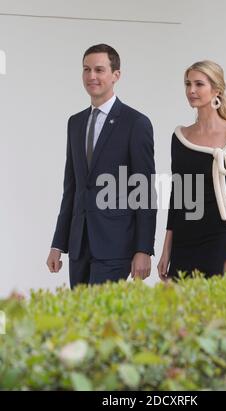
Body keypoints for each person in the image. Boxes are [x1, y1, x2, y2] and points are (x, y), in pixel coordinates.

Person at [46, 44, 156, 288]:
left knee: (103, 321)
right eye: (86, 69)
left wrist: (143, 249)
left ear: (116, 75)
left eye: (99, 69)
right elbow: (72, 188)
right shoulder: (75, 123)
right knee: (80, 321)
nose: (91, 76)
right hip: (78, 246)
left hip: (115, 247)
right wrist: (58, 244)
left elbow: (145, 191)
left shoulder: (135, 123)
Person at [157, 60, 226, 280]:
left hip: (220, 238)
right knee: (180, 311)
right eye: (187, 84)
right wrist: (166, 249)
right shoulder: (180, 137)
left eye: (199, 84)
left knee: (216, 311)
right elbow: (178, 195)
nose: (191, 90)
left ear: (216, 90)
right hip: (184, 238)